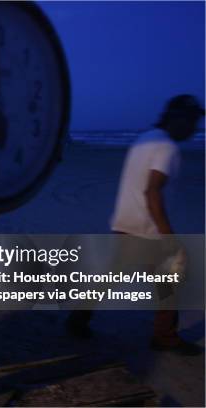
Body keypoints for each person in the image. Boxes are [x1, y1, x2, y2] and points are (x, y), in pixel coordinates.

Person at [66, 94, 204, 356]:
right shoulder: (167, 148)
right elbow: (152, 192)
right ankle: (164, 337)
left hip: (125, 221)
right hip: (146, 227)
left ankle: (78, 319)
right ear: (177, 118)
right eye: (192, 121)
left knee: (108, 277)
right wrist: (169, 237)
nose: (195, 128)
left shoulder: (146, 138)